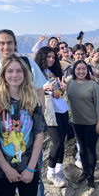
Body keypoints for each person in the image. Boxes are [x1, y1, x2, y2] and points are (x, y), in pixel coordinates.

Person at [0, 29, 47, 196]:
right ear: (3, 75)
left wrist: (31, 167)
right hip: (2, 170)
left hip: (29, 166)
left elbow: (38, 135)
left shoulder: (32, 101)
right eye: (10, 71)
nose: (15, 74)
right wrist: (6, 168)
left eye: (19, 71)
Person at [34, 47, 69, 188]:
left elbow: (58, 92)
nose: (51, 59)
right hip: (49, 111)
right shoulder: (36, 73)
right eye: (48, 56)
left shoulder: (53, 72)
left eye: (53, 57)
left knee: (62, 140)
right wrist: (43, 89)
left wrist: (63, 89)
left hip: (62, 108)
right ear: (42, 57)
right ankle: (50, 172)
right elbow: (29, 91)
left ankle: (59, 170)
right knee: (57, 141)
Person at [67, 60, 99, 189]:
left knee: (90, 149)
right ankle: (85, 172)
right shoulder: (70, 83)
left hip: (91, 123)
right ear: (74, 70)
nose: (81, 71)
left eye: (83, 69)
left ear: (87, 70)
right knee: (81, 149)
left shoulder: (93, 86)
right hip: (77, 122)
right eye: (78, 69)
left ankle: (91, 177)